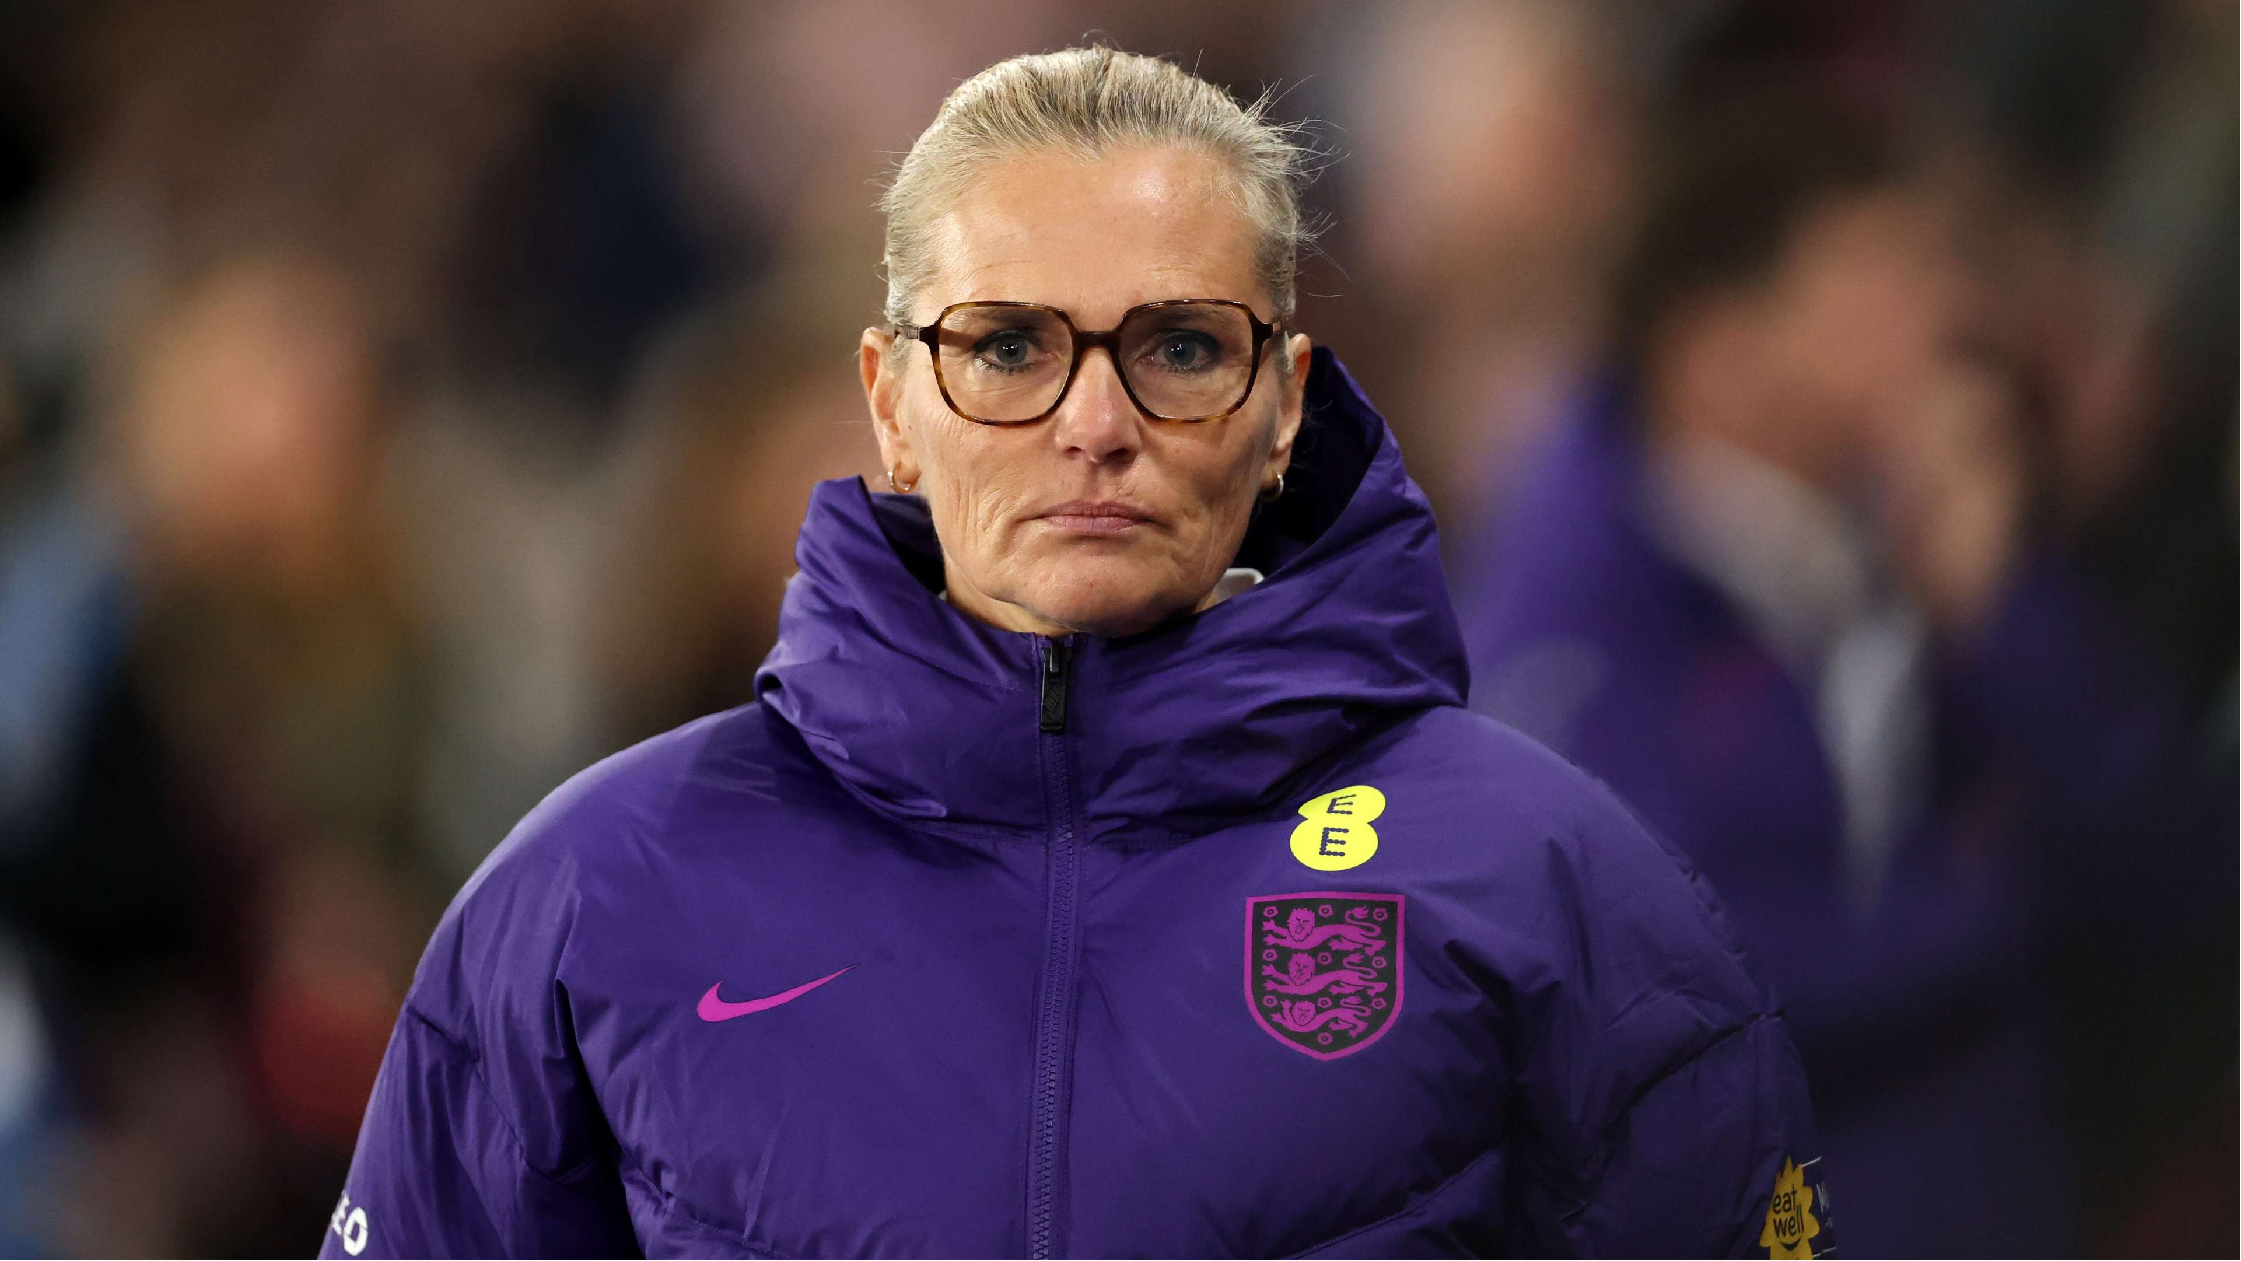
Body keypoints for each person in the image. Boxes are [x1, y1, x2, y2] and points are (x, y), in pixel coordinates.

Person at [323, 48, 1825, 1259]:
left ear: (1285, 400)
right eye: (1006, 348)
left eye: (1176, 346)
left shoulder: (1545, 874)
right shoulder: (594, 889)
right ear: (891, 400)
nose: (1091, 422)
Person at [1455, 91, 2211, 1257]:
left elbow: (2169, 866)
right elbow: (1664, 991)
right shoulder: (1568, 633)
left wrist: (2006, 609)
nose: (1945, 318)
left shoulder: (1931, 549)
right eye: (1876, 286)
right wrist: (1984, 900)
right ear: (1722, 348)